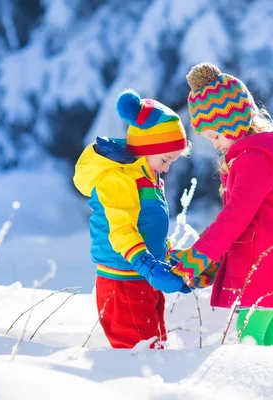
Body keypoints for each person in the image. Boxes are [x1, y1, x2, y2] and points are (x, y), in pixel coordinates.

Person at [169, 63, 273, 346]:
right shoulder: (259, 157)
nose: (215, 145)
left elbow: (235, 217)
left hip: (269, 267)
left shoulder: (255, 160)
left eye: (215, 135)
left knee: (250, 339)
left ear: (232, 122)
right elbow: (247, 220)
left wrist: (199, 256)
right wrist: (213, 257)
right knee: (269, 344)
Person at [73, 90, 188, 349]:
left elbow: (149, 228)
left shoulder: (149, 178)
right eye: (165, 159)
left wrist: (170, 258)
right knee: (139, 356)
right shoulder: (120, 178)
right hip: (123, 282)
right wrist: (148, 265)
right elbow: (122, 229)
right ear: (148, 148)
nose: (167, 168)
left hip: (143, 277)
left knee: (156, 351)